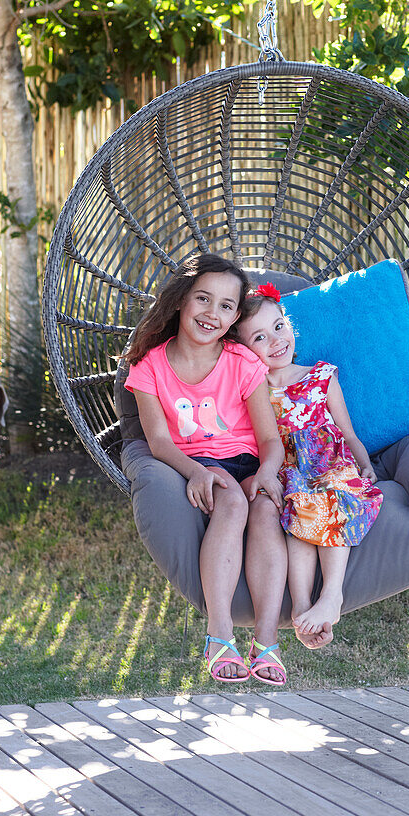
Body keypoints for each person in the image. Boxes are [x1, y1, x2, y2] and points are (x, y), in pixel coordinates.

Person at [124, 254, 288, 685]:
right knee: (232, 503)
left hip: (247, 461)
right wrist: (195, 471)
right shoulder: (149, 367)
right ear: (181, 301)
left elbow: (270, 440)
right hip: (190, 462)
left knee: (266, 510)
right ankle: (219, 634)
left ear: (235, 315)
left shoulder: (242, 363)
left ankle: (266, 641)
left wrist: (269, 473)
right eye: (203, 299)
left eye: (226, 306)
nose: (212, 314)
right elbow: (157, 441)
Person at [236, 284, 383, 649]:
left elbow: (348, 432)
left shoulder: (321, 375)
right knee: (297, 511)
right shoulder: (254, 391)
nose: (275, 340)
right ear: (243, 350)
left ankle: (332, 595)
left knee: (334, 497)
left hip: (332, 462)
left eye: (279, 326)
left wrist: (364, 464)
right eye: (259, 337)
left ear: (290, 325)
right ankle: (303, 607)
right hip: (289, 469)